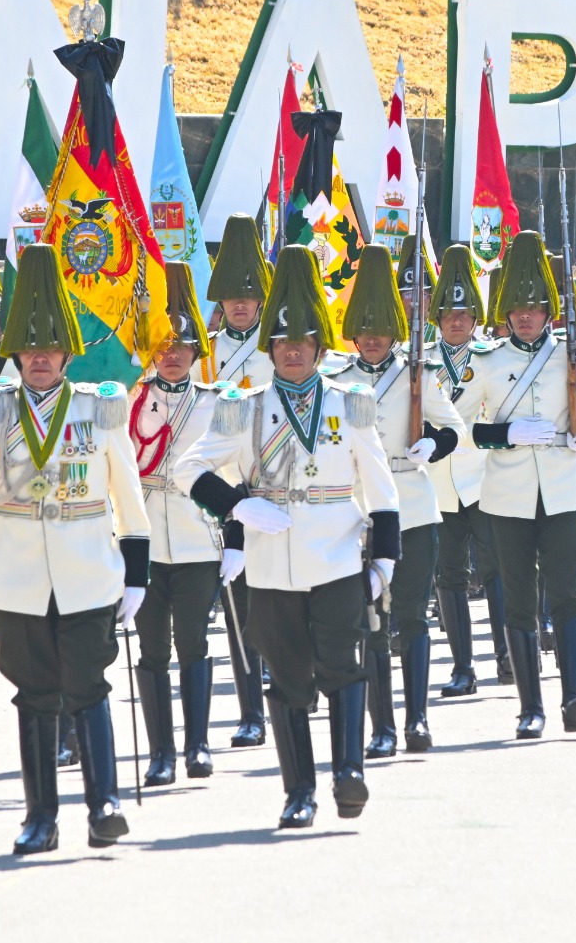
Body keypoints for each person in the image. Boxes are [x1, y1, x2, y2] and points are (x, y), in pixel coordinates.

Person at [0, 243, 151, 854]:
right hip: (19, 577)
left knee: (88, 685)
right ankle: (40, 819)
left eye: (50, 349)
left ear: (66, 354)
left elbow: (129, 496)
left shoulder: (99, 408)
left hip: (87, 572)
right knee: (33, 693)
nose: (40, 358)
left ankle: (103, 805)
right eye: (29, 350)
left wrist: (136, 575)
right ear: (15, 355)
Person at [175, 245, 402, 828]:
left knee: (343, 666)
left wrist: (384, 560)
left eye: (301, 342)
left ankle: (348, 772)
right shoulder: (244, 408)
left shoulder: (352, 403)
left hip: (337, 557)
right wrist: (237, 504)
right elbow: (186, 468)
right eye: (280, 343)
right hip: (272, 565)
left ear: (320, 348)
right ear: (269, 349)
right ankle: (298, 791)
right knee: (287, 680)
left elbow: (380, 487)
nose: (292, 351)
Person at [323, 244, 465, 756]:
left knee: (412, 615)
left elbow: (454, 427)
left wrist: (434, 443)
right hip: (359, 509)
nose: (372, 337)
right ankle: (381, 726)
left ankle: (417, 719)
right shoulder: (336, 381)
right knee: (371, 620)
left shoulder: (416, 373)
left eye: (381, 329)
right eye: (364, 328)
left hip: (413, 503)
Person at [468, 232, 576, 737]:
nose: (525, 317)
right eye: (517, 309)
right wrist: (505, 434)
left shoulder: (573, 353)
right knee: (520, 598)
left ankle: (574, 694)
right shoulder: (487, 361)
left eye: (534, 308)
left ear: (549, 311)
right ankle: (530, 706)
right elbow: (464, 427)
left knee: (567, 593)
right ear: (505, 313)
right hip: (508, 496)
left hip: (564, 488)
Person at [128, 262, 226, 785]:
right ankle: (160, 753)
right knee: (150, 649)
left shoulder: (215, 404)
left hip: (196, 539)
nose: (172, 356)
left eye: (182, 348)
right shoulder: (131, 400)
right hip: (142, 540)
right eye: (164, 347)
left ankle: (197, 745)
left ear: (195, 351)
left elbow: (233, 474)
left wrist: (235, 539)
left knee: (193, 642)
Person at [201, 213, 275, 748]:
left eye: (249, 295)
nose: (241, 305)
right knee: (239, 607)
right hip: (226, 495)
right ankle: (252, 712)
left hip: (277, 487)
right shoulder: (202, 354)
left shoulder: (279, 348)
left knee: (288, 601)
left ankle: (293, 681)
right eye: (232, 296)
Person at [427, 244, 512, 688]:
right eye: (448, 314)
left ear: (476, 318)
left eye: (463, 314)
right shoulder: (421, 361)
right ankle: (462, 668)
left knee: (496, 568)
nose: (456, 321)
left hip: (483, 478)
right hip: (439, 481)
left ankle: (507, 654)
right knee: (450, 573)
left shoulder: (491, 358)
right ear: (437, 318)